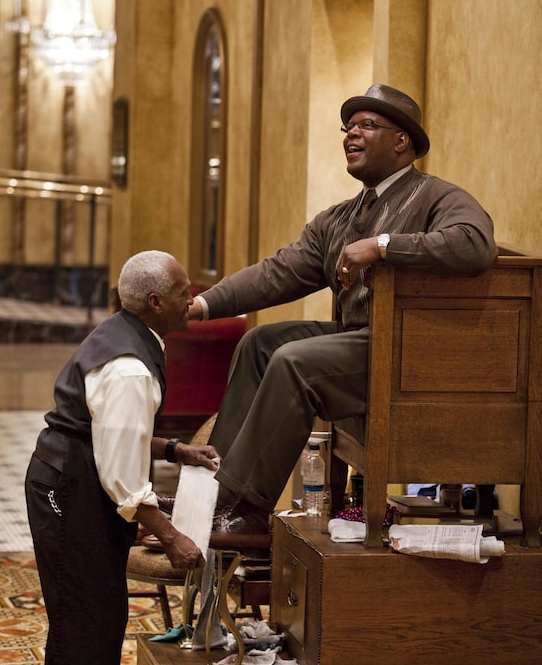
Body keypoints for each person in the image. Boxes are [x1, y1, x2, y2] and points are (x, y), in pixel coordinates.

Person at [188, 84, 499, 534]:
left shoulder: (437, 196)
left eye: (366, 125)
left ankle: (250, 512)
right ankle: (211, 496)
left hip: (407, 354)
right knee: (259, 343)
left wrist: (381, 246)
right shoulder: (339, 218)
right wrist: (201, 305)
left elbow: (475, 244)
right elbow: (278, 273)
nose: (351, 134)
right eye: (348, 127)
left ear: (402, 141)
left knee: (294, 361)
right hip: (361, 343)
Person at [25, 250, 218, 665]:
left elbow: (109, 429)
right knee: (91, 625)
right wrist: (173, 535)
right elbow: (122, 478)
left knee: (76, 620)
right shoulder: (131, 366)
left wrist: (174, 449)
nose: (192, 297)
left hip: (66, 478)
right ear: (155, 302)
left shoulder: (125, 334)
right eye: (182, 291)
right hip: (72, 490)